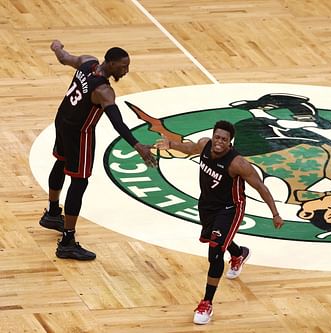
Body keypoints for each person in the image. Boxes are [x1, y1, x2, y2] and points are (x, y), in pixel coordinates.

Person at [156, 120, 284, 325]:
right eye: (217, 137)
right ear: (213, 136)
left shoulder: (237, 163)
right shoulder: (205, 144)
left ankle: (206, 303)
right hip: (207, 204)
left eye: (224, 139)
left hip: (230, 209)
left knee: (215, 253)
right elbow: (190, 148)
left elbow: (260, 187)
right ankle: (238, 253)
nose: (219, 142)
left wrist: (275, 213)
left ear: (230, 142)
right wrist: (172, 145)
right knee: (213, 239)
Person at [39, 40, 157, 260]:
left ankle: (53, 213)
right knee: (79, 181)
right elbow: (117, 123)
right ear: (110, 64)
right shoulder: (104, 91)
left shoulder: (87, 62)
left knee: (60, 161)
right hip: (79, 134)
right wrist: (137, 145)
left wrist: (56, 47)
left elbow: (64, 58)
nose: (126, 71)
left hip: (63, 119)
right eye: (122, 67)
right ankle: (67, 241)